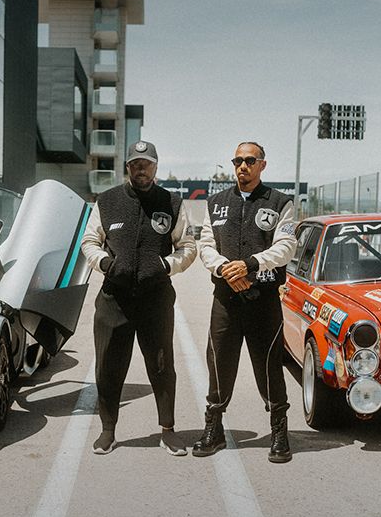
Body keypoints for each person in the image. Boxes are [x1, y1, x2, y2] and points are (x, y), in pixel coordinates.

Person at [81, 140, 196, 455]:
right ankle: (108, 430)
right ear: (127, 167)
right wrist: (105, 263)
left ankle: (168, 430)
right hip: (113, 298)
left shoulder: (171, 203)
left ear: (156, 167)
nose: (140, 168)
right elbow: (89, 240)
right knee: (108, 365)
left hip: (154, 298)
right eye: (135, 163)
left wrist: (165, 265)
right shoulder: (107, 201)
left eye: (146, 163)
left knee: (161, 364)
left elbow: (187, 246)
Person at [193, 141, 299, 463]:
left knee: (269, 368)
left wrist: (250, 265)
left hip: (263, 302)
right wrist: (226, 268)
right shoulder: (216, 203)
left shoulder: (281, 203)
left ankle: (279, 432)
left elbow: (286, 247)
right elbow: (206, 246)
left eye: (250, 160)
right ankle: (213, 428)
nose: (243, 166)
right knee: (219, 364)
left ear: (262, 165)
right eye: (237, 160)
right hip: (225, 300)